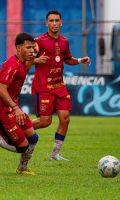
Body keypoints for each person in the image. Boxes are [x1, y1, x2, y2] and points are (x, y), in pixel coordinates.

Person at [0, 33, 39, 175]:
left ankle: (22, 168)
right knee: (22, 147)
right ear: (18, 48)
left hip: (11, 110)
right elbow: (1, 90)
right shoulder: (12, 65)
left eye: (33, 47)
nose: (32, 51)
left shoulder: (23, 62)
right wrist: (16, 108)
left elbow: (33, 57)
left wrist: (37, 55)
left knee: (33, 138)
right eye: (28, 47)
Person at [31, 10, 91, 161]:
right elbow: (24, 58)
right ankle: (17, 129)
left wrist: (79, 60)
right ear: (46, 23)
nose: (54, 23)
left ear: (61, 22)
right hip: (44, 87)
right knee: (45, 121)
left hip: (59, 86)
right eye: (51, 21)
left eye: (57, 20)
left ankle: (55, 154)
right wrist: (35, 60)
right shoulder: (38, 41)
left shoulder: (64, 41)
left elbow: (67, 59)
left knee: (65, 119)